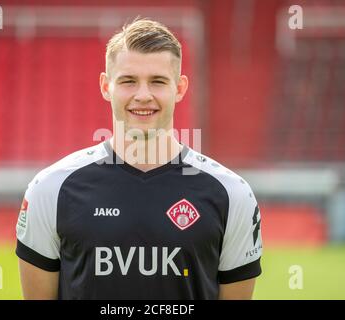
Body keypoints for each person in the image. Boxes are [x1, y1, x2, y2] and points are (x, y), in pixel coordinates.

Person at [16, 18, 262, 300]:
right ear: (106, 86)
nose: (143, 95)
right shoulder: (51, 189)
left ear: (180, 88)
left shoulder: (232, 194)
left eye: (157, 81)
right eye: (128, 81)